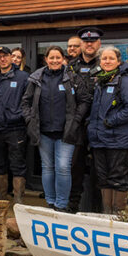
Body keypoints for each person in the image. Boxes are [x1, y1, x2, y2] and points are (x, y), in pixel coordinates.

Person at [22, 46, 90, 212]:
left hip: (66, 132)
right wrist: (30, 119)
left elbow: (85, 100)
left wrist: (76, 119)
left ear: (63, 59)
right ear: (46, 59)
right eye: (51, 58)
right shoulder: (36, 78)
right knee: (47, 168)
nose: (54, 61)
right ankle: (50, 202)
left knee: (63, 167)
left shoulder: (72, 77)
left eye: (58, 57)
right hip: (43, 132)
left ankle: (61, 204)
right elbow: (25, 102)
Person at [0, 47, 30, 202]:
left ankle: (18, 197)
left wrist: (18, 116)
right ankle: (0, 194)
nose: (2, 59)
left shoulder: (23, 77)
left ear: (11, 58)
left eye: (5, 56)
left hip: (15, 129)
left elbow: (28, 102)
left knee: (17, 164)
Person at [86, 46, 128, 214]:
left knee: (118, 178)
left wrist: (111, 121)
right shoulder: (100, 80)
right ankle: (107, 215)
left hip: (118, 140)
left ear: (119, 61)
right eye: (104, 58)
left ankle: (118, 216)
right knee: (103, 179)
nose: (107, 61)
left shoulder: (124, 80)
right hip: (99, 139)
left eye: (111, 58)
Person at [68, 27, 104, 212]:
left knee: (100, 169)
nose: (89, 44)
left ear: (99, 43)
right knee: (75, 167)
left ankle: (98, 210)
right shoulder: (71, 66)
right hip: (77, 126)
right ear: (81, 44)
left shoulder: (106, 64)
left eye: (93, 41)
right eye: (86, 41)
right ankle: (73, 206)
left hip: (100, 125)